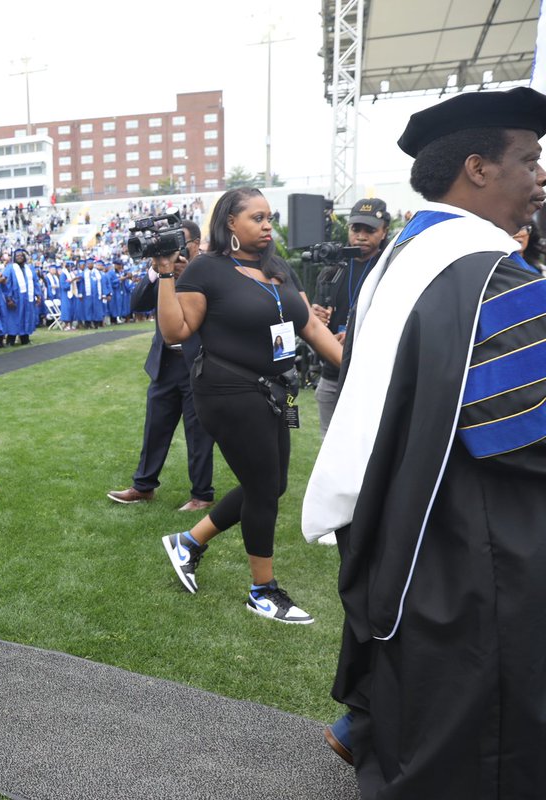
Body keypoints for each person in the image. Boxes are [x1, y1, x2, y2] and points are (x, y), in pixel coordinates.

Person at [304, 86, 546, 797]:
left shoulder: (404, 256)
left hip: (400, 522)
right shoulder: (491, 274)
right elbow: (526, 428)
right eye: (529, 158)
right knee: (481, 747)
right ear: (477, 167)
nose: (541, 175)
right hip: (475, 544)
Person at [154, 187, 342, 623]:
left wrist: (351, 367)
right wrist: (166, 274)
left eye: (269, 217)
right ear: (230, 224)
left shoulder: (277, 268)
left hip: (276, 390)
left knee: (271, 486)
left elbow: (310, 325)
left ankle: (189, 542)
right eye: (257, 218)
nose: (267, 225)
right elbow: (176, 332)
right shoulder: (206, 269)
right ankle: (263, 591)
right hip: (227, 391)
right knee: (263, 489)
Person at [108, 220, 214, 511]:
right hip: (166, 362)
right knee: (155, 427)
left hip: (199, 363)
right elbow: (137, 303)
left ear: (195, 243)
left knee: (198, 433)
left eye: (180, 241)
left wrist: (187, 273)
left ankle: (202, 494)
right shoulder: (161, 269)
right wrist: (157, 271)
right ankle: (143, 487)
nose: (173, 249)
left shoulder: (208, 268)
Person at [310, 198, 391, 436]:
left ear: (384, 231)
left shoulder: (390, 269)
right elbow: (317, 318)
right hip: (331, 374)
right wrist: (316, 316)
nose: (361, 236)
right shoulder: (333, 268)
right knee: (329, 443)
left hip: (370, 377)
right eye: (356, 229)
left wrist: (356, 334)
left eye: (370, 230)